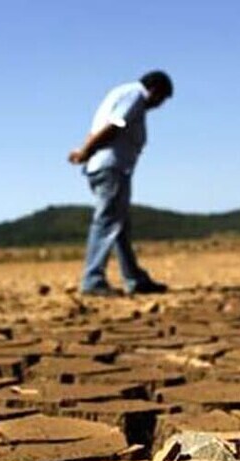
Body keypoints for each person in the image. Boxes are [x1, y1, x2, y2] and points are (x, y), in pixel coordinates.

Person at [68, 70, 173, 296]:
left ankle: (135, 278)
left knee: (119, 226)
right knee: (107, 223)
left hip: (104, 166)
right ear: (155, 90)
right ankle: (92, 279)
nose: (159, 105)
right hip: (112, 167)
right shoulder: (134, 96)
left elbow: (100, 127)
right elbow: (115, 124)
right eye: (161, 99)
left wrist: (84, 151)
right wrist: (86, 150)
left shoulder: (120, 94)